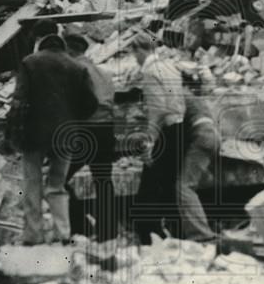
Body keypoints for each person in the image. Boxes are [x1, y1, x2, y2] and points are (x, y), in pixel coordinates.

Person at [8, 34, 98, 245]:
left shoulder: (30, 62)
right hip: (65, 135)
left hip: (34, 134)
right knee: (57, 185)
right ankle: (63, 233)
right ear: (63, 48)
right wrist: (74, 119)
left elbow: (18, 101)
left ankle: (33, 234)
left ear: (41, 45)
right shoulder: (77, 67)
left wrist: (11, 134)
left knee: (33, 183)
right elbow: (91, 103)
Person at [130, 33, 189, 243]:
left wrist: (150, 140)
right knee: (169, 183)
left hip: (166, 130)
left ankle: (148, 234)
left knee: (150, 184)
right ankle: (176, 233)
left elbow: (158, 109)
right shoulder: (169, 66)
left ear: (140, 50)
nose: (135, 59)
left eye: (134, 54)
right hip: (180, 127)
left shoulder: (150, 71)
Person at [64, 33, 119, 241]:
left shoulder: (74, 71)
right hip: (107, 129)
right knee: (104, 182)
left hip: (86, 130)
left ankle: (81, 227)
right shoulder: (103, 72)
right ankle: (108, 232)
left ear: (69, 51)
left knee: (57, 180)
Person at [179, 85, 219, 242]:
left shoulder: (176, 93)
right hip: (212, 135)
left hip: (202, 135)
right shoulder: (193, 98)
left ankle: (201, 235)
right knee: (190, 183)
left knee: (184, 187)